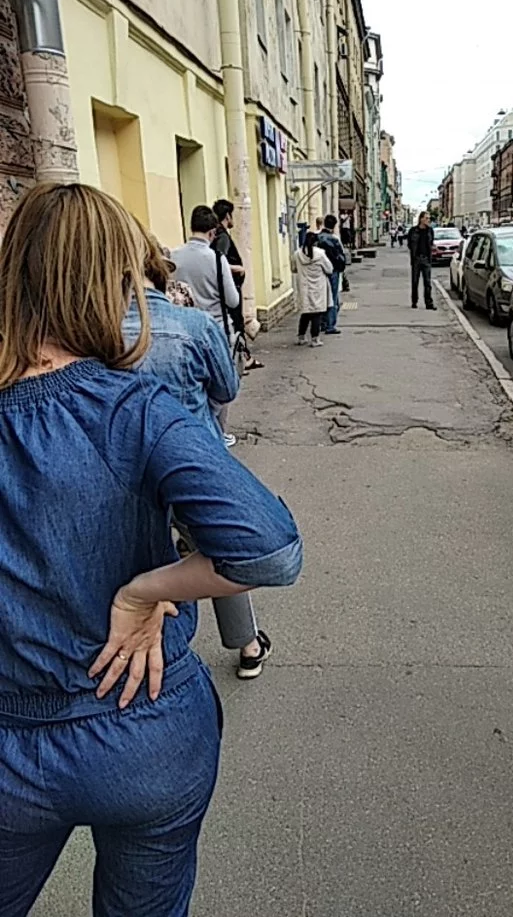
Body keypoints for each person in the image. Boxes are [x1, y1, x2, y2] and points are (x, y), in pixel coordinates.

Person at [0, 182, 302, 915]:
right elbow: (268, 550)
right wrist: (146, 590)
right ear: (112, 282)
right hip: (146, 731)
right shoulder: (135, 407)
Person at [123, 232, 273, 680]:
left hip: (126, 468)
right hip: (191, 459)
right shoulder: (195, 326)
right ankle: (247, 647)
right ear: (159, 270)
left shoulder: (98, 332)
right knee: (217, 551)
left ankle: (149, 649)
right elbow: (227, 388)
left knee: (140, 559)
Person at [172, 205, 240, 445]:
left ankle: (196, 432)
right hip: (215, 328)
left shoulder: (173, 256)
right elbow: (232, 300)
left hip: (181, 329)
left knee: (192, 384)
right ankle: (219, 434)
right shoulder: (216, 258)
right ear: (212, 232)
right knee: (220, 385)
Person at [211, 198, 264, 373]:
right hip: (230, 287)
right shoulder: (222, 236)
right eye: (231, 215)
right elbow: (220, 259)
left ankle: (244, 357)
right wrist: (238, 269)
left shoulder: (217, 235)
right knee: (236, 322)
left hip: (227, 286)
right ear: (227, 215)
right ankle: (241, 359)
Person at [294, 231, 334, 347]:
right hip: (318, 287)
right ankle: (315, 339)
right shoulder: (320, 254)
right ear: (316, 242)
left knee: (306, 312)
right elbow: (329, 269)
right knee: (316, 313)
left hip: (304, 286)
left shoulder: (297, 254)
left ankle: (301, 337)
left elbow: (293, 268)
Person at [317, 214, 346, 335]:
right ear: (334, 225)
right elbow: (340, 256)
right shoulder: (334, 239)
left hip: (320, 271)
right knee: (333, 298)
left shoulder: (317, 238)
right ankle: (330, 325)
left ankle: (322, 323)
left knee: (323, 296)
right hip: (333, 270)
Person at [407, 211, 437, 310]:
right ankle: (414, 301)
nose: (428, 220)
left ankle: (429, 303)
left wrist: (432, 249)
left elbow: (431, 242)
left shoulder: (430, 231)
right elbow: (410, 244)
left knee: (427, 283)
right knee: (415, 282)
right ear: (421, 219)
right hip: (416, 259)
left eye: (429, 218)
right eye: (427, 218)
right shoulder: (413, 230)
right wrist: (414, 255)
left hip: (426, 259)